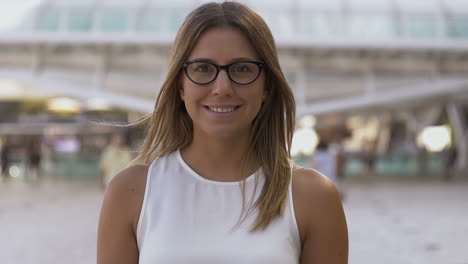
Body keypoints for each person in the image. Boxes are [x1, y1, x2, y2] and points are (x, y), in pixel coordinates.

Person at [97, 2, 348, 264]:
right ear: (180, 86)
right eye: (203, 68)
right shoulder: (130, 191)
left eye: (242, 68)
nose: (222, 87)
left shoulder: (314, 197)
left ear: (267, 87)